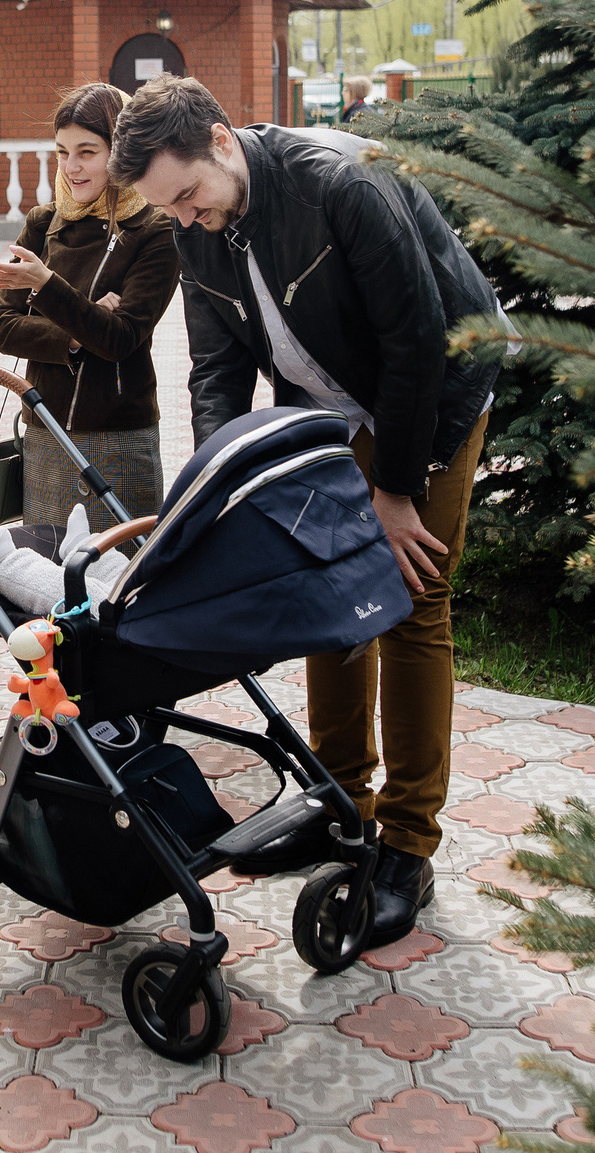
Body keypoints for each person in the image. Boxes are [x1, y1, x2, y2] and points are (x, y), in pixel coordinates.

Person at [108, 74, 504, 948]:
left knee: (408, 603)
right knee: (328, 604)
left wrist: (395, 489)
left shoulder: (341, 183)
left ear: (219, 141)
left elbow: (416, 343)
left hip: (431, 398)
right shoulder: (195, 226)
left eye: (187, 196)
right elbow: (216, 370)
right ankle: (338, 802)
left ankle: (405, 843)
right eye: (165, 209)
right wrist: (220, 484)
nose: (183, 219)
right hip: (325, 411)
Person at [0, 82, 179, 528]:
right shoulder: (44, 222)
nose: (71, 167)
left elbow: (121, 338)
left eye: (87, 152)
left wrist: (46, 287)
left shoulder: (154, 230)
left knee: (122, 573)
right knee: (47, 573)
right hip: (44, 427)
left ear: (122, 149)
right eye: (61, 152)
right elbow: (1, 325)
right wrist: (73, 333)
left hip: (119, 435)